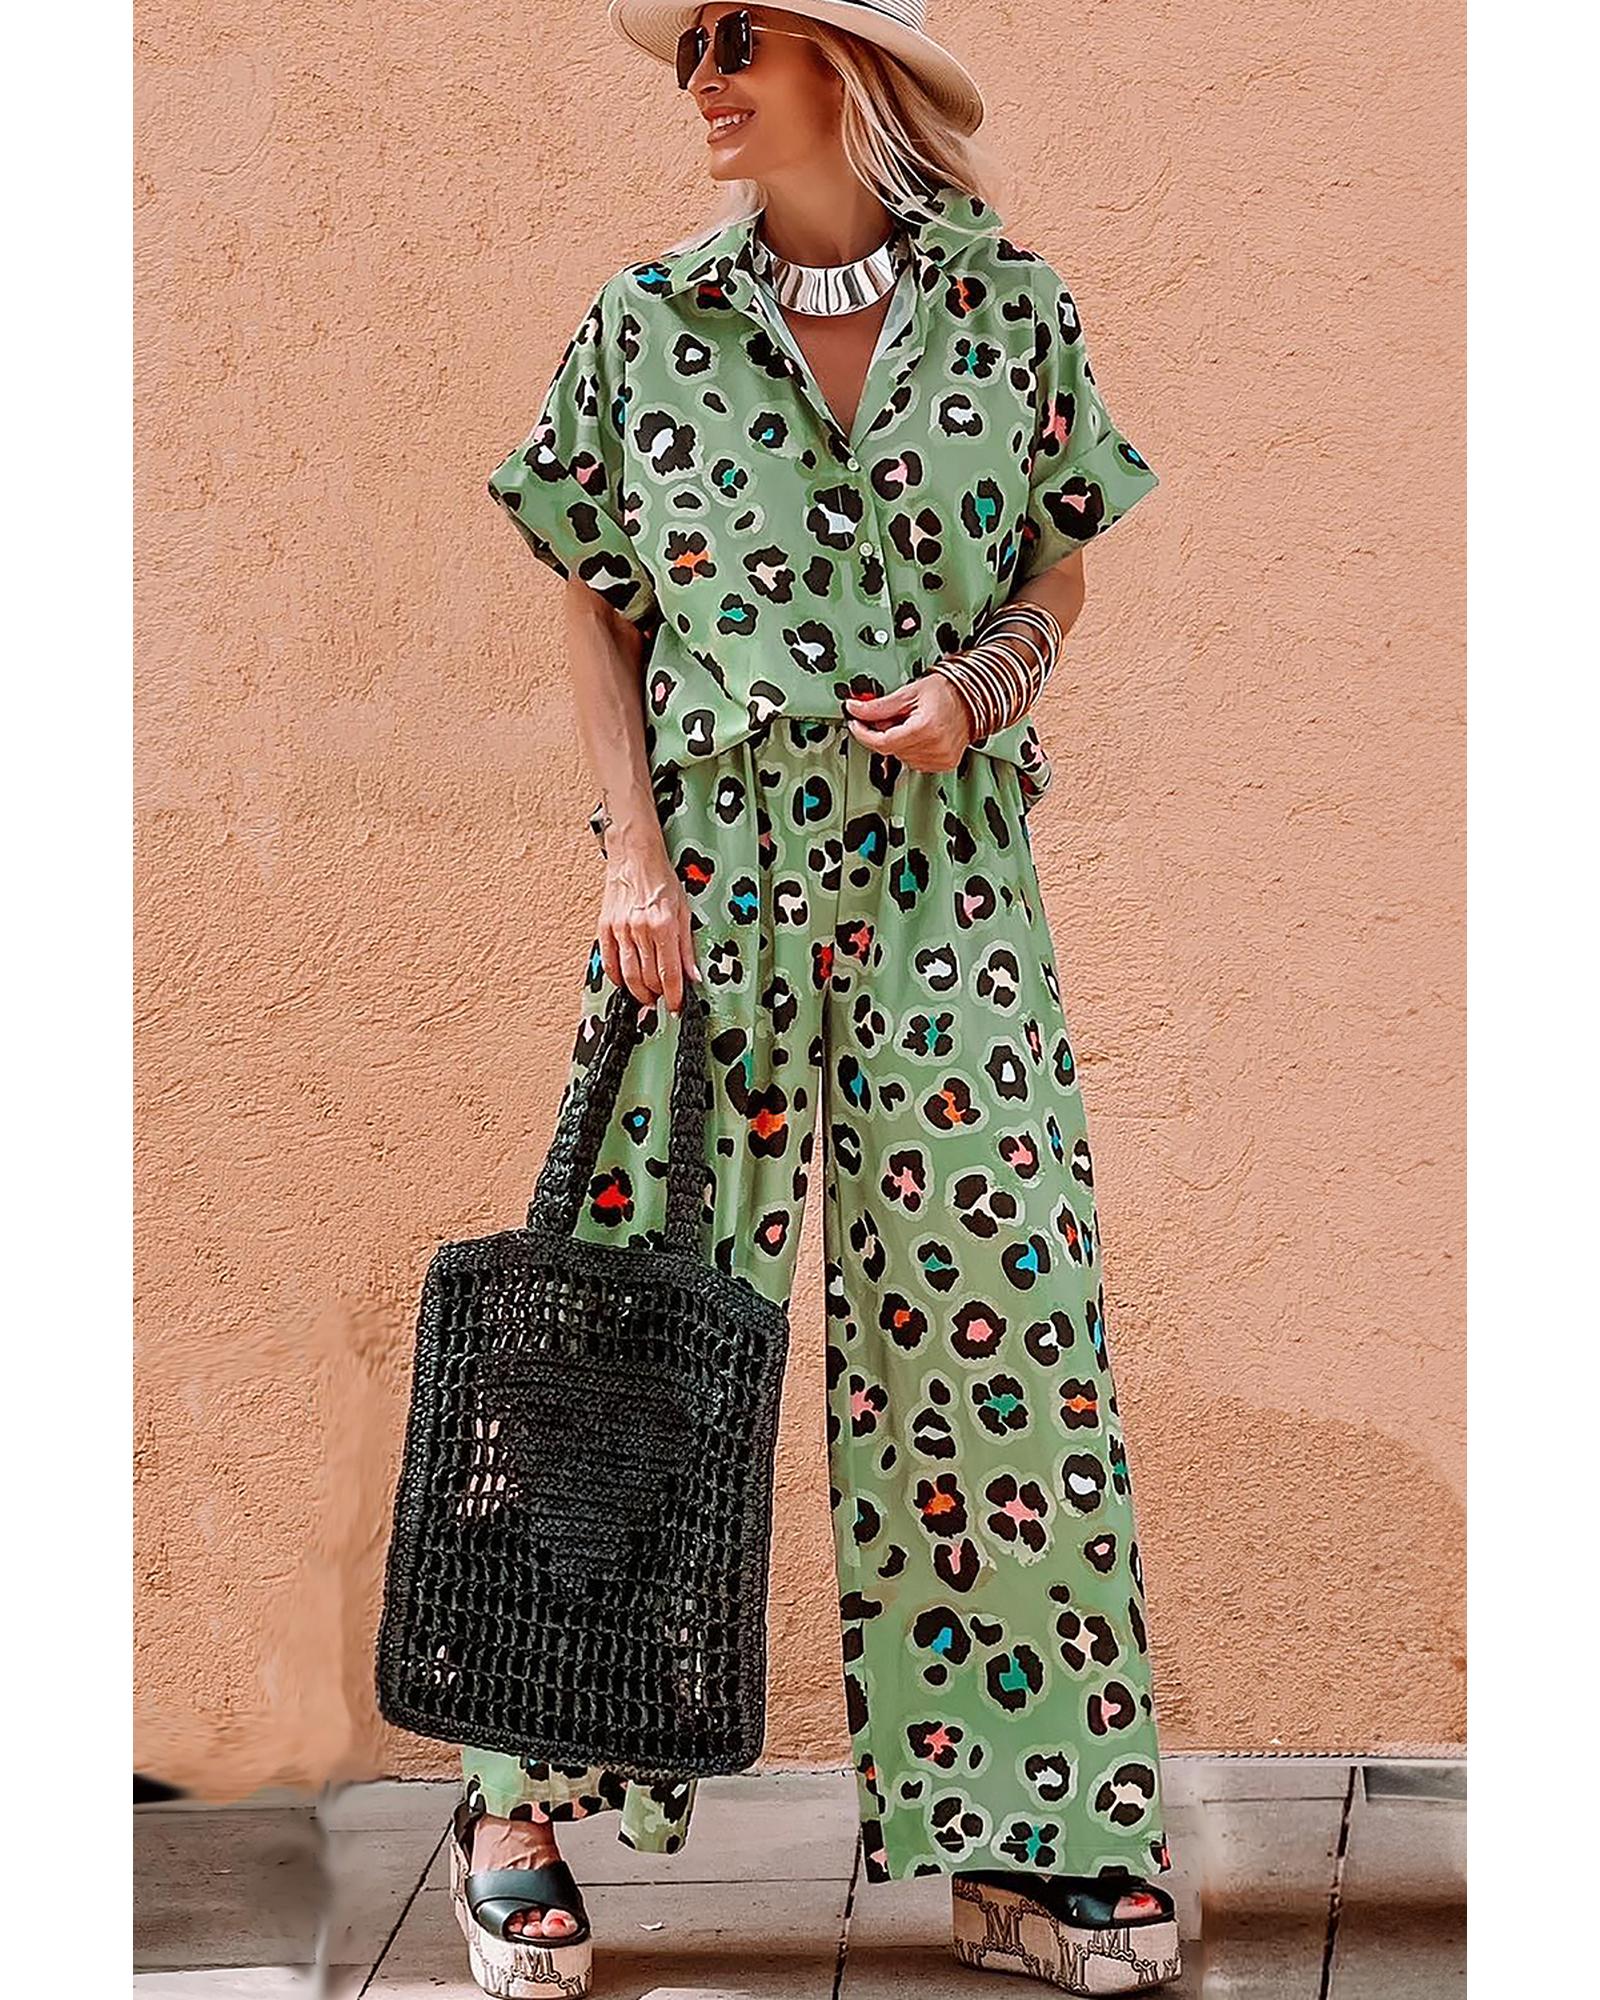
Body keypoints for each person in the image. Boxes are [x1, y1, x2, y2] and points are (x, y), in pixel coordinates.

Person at [450, 5, 1179, 1995]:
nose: (698, 73)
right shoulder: (645, 324)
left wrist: (984, 685)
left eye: (736, 36)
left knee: (996, 1303)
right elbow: (592, 596)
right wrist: (629, 856)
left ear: (849, 72)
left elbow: (1060, 562)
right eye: (687, 41)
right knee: (632, 1317)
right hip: (711, 882)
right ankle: (519, 1797)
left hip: (950, 876)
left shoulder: (1012, 310)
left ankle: (1026, 1830)